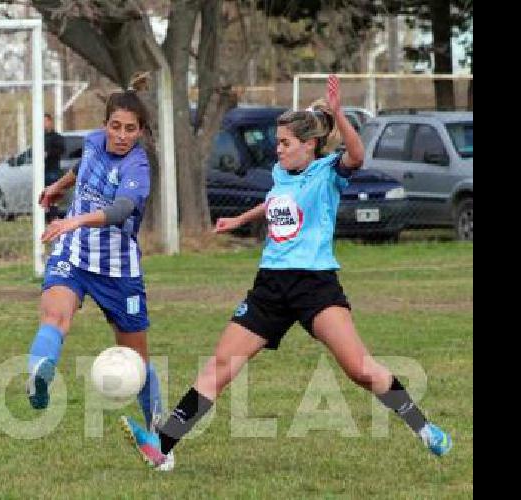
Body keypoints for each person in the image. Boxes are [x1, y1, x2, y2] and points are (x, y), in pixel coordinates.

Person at [120, 75, 453, 471]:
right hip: (270, 286)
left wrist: (341, 115)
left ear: (309, 145)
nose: (277, 150)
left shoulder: (330, 170)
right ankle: (163, 446)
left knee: (360, 369)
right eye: (277, 143)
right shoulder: (282, 173)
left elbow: (358, 155)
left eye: (284, 144)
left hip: (315, 286)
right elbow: (274, 202)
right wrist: (239, 219)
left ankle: (423, 427)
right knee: (220, 367)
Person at [26, 74, 164, 433]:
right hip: (73, 256)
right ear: (104, 126)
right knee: (55, 317)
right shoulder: (92, 142)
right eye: (114, 126)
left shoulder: (137, 166)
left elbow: (120, 210)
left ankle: (158, 431)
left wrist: (74, 222)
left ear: (141, 132)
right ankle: (38, 377)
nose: (120, 135)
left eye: (130, 129)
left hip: (117, 269)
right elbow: (81, 167)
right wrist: (57, 187)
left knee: (136, 360)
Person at [43, 113, 66, 221]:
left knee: (52, 195)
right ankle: (46, 217)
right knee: (43, 196)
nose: (44, 124)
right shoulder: (40, 138)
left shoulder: (57, 137)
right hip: (42, 172)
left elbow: (61, 150)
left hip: (53, 171)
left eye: (45, 121)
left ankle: (53, 217)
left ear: (50, 122)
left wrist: (48, 153)